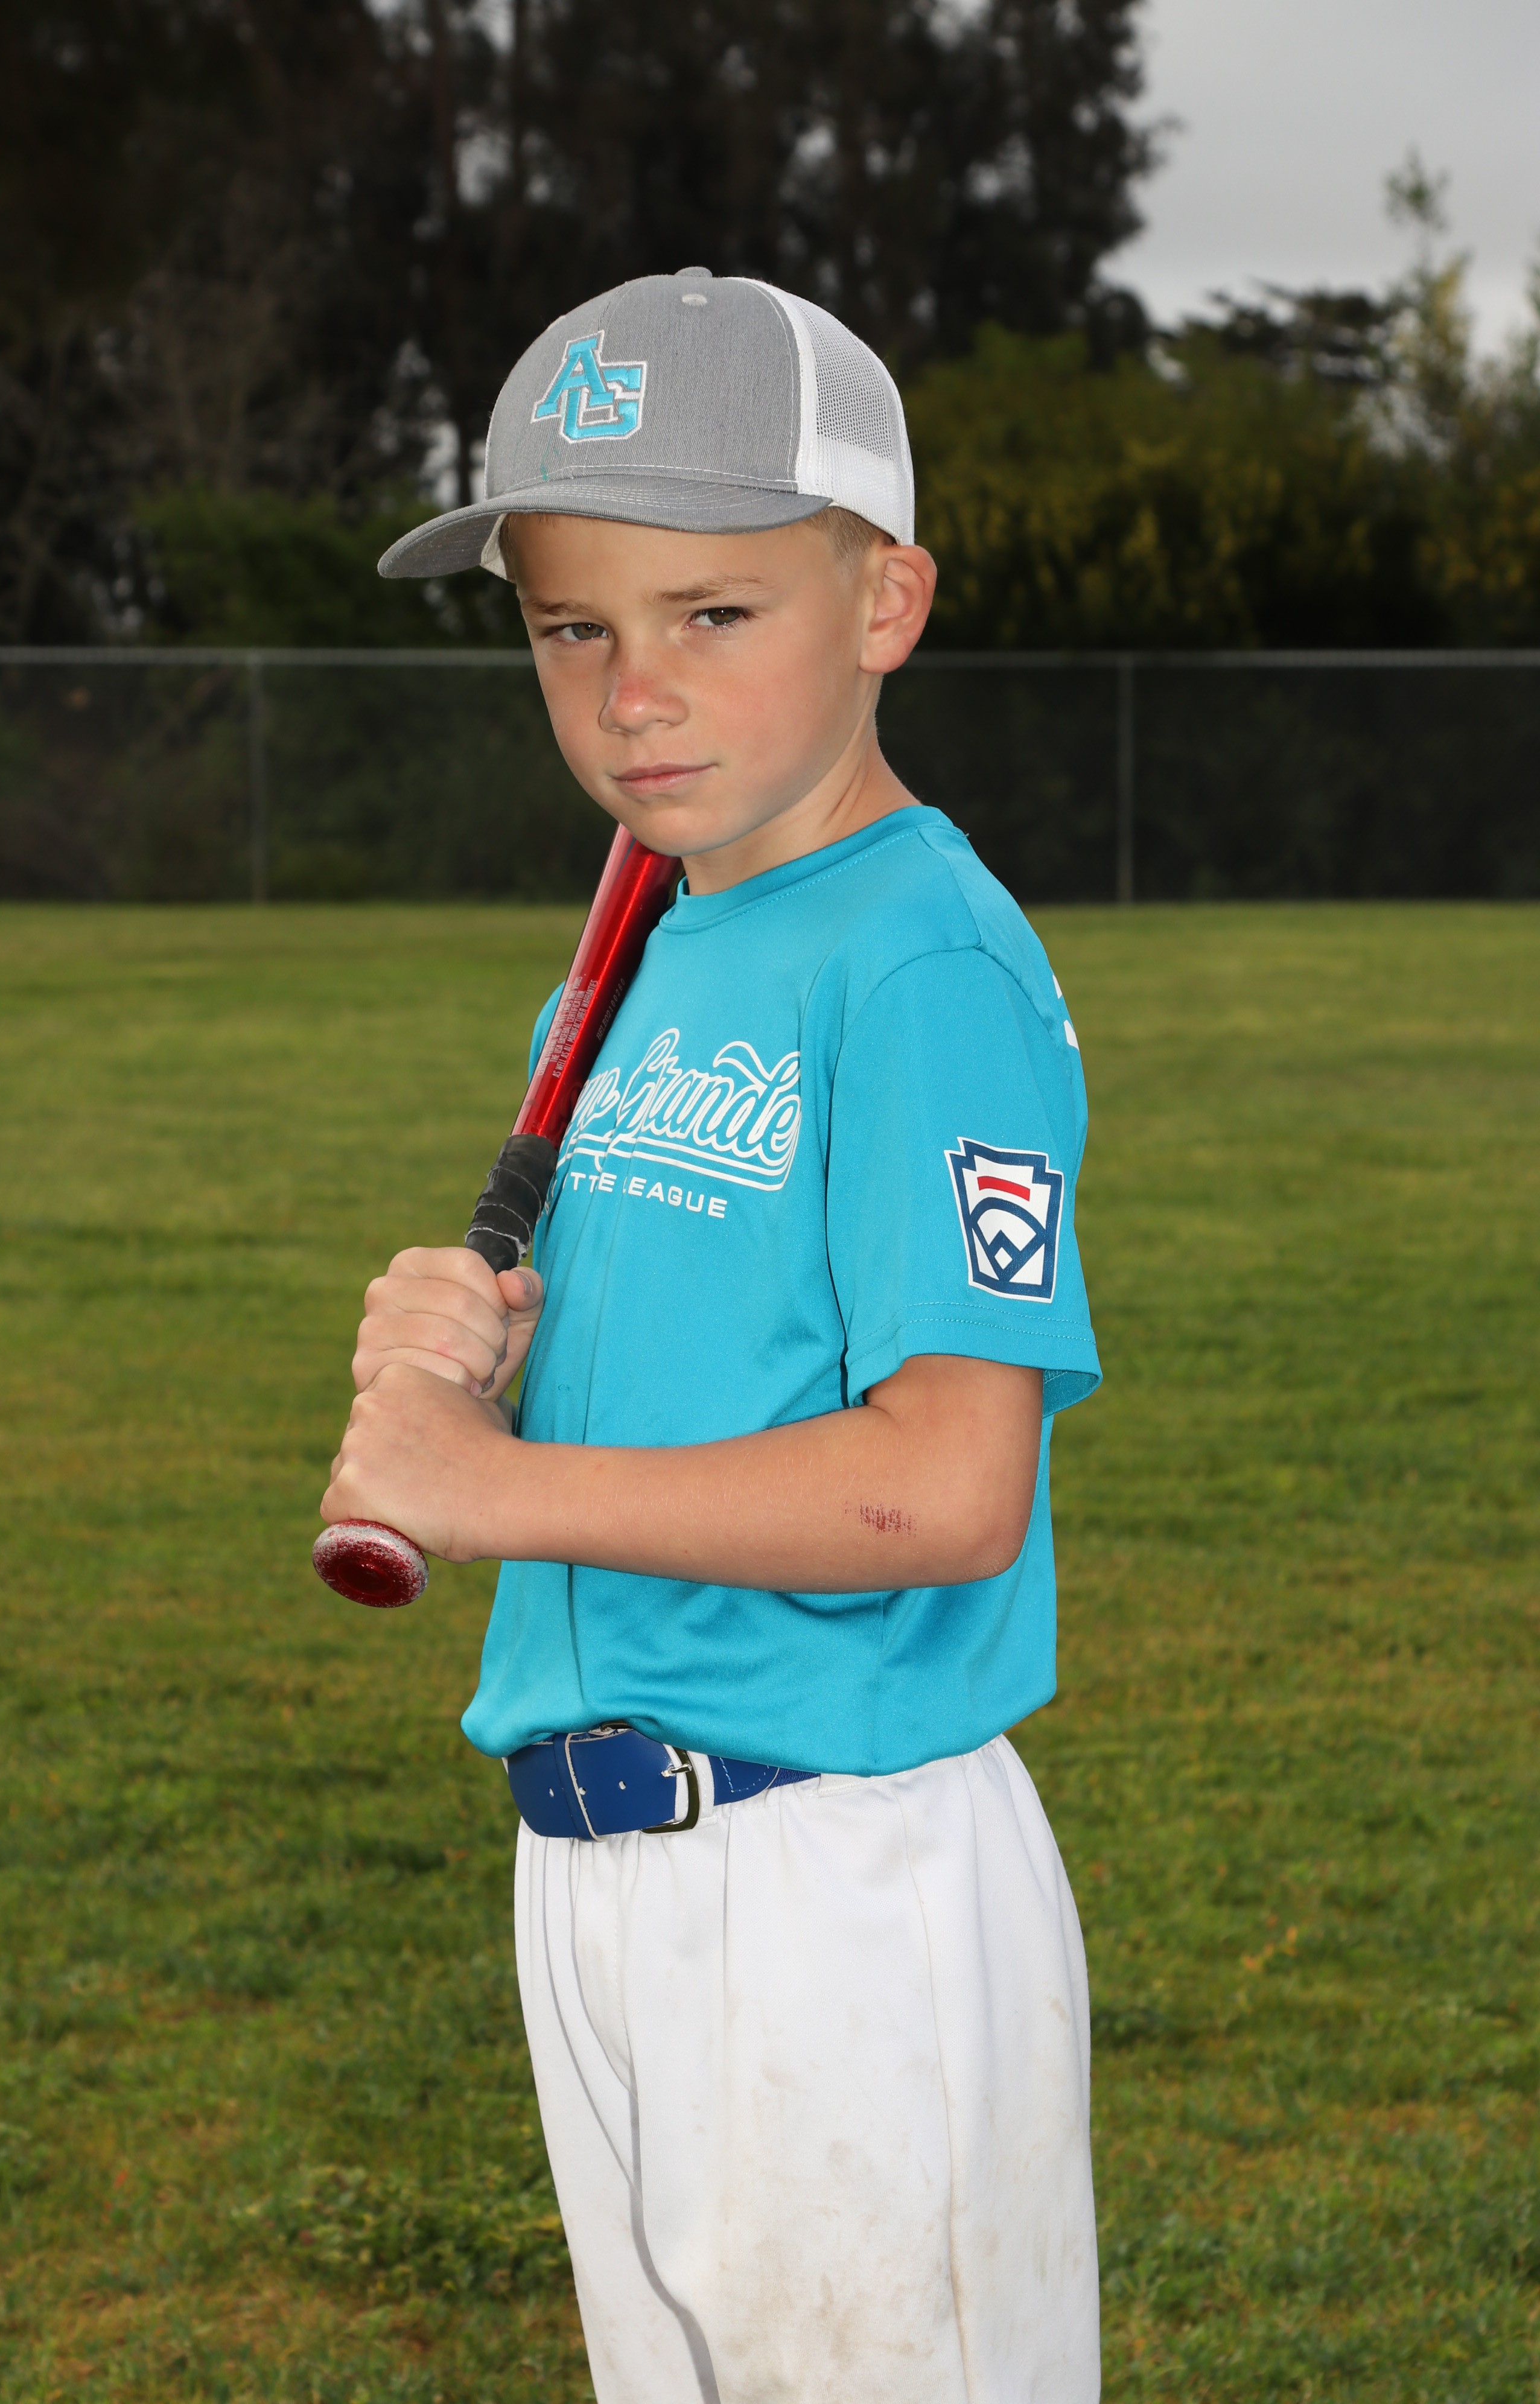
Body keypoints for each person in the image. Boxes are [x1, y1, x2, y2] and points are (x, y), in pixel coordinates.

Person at [322, 267, 1103, 2403]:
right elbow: (699, 1344)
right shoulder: (669, 939)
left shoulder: (919, 963)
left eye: (715, 611)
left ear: (887, 603)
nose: (633, 693)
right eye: (571, 627)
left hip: (835, 1878)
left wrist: (498, 1487)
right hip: (602, 1876)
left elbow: (950, 1485)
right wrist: (485, 1344)